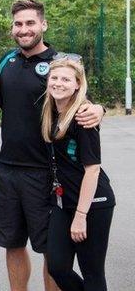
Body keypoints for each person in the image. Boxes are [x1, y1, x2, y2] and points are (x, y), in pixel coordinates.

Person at [0, 0, 104, 291]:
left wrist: (99, 108)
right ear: (12, 28)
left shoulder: (60, 63)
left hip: (44, 172)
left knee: (50, 252)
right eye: (18, 24)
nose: (24, 29)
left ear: (43, 24)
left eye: (30, 23)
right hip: (7, 170)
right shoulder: (7, 62)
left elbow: (80, 95)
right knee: (13, 244)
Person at [41, 57, 115, 291]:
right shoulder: (52, 112)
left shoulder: (83, 116)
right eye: (54, 78)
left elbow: (92, 169)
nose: (58, 83)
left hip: (93, 203)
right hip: (63, 202)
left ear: (77, 84)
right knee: (57, 266)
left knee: (92, 272)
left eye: (65, 79)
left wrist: (81, 215)